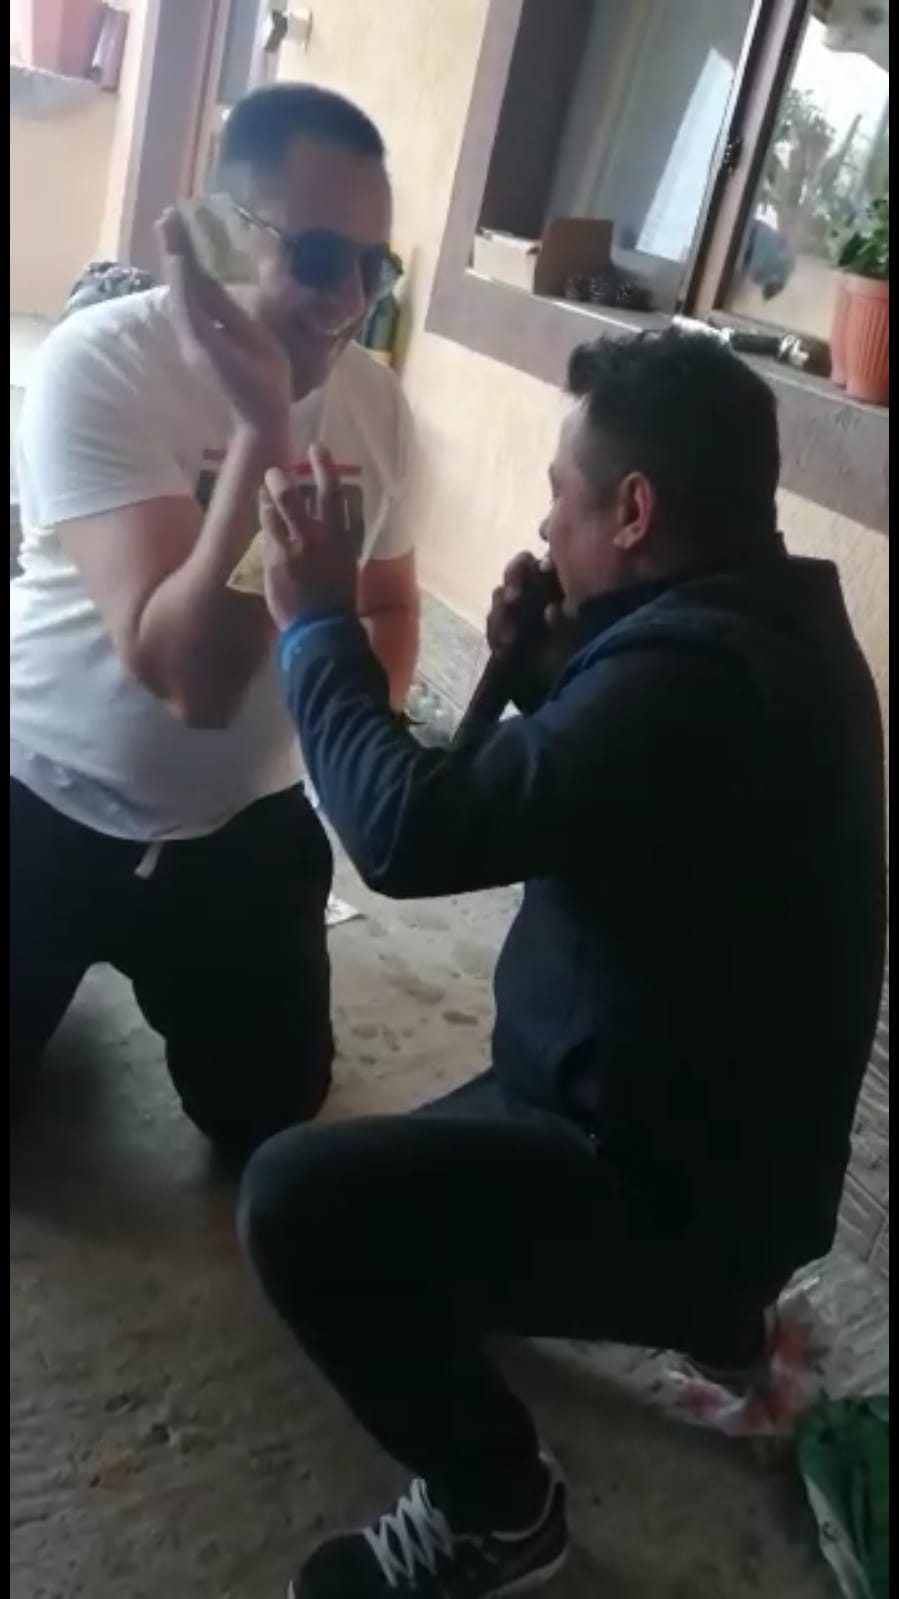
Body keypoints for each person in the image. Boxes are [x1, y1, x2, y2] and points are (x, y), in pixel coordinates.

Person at [176, 243, 885, 1597]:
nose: (545, 528)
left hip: (661, 1181)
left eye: (561, 496)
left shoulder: (688, 686)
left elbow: (404, 833)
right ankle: (713, 1314)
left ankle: (499, 1510)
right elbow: (594, 791)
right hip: (680, 1128)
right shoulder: (766, 625)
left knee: (299, 1205)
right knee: (412, 1205)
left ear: (634, 508)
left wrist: (317, 622)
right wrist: (540, 661)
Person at [10, 85, 419, 1160]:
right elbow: (187, 677)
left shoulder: (376, 405)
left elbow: (386, 602)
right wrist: (265, 426)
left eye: (374, 267)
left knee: (269, 1116)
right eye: (318, 256)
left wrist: (350, 744)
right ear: (218, 235)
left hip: (239, 829)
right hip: (40, 792)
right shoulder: (99, 363)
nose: (349, 299)